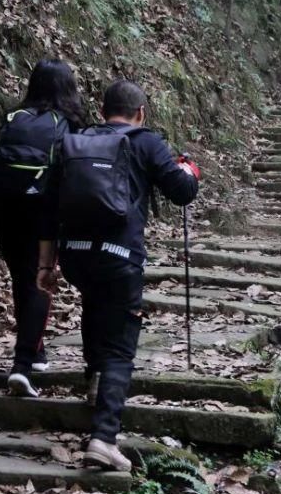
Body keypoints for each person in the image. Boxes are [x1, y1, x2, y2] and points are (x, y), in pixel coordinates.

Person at [54, 80, 200, 472]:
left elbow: (53, 200)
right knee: (121, 343)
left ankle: (94, 377)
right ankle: (103, 437)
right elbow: (182, 191)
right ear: (140, 113)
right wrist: (190, 170)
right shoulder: (146, 141)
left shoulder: (76, 139)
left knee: (94, 305)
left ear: (102, 112)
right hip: (120, 255)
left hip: (74, 255)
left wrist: (44, 264)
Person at [0, 59, 85, 397]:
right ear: (67, 87)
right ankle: (21, 367)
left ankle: (35, 351)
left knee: (23, 277)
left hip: (4, 208)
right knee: (39, 279)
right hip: (43, 210)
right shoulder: (70, 123)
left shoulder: (12, 117)